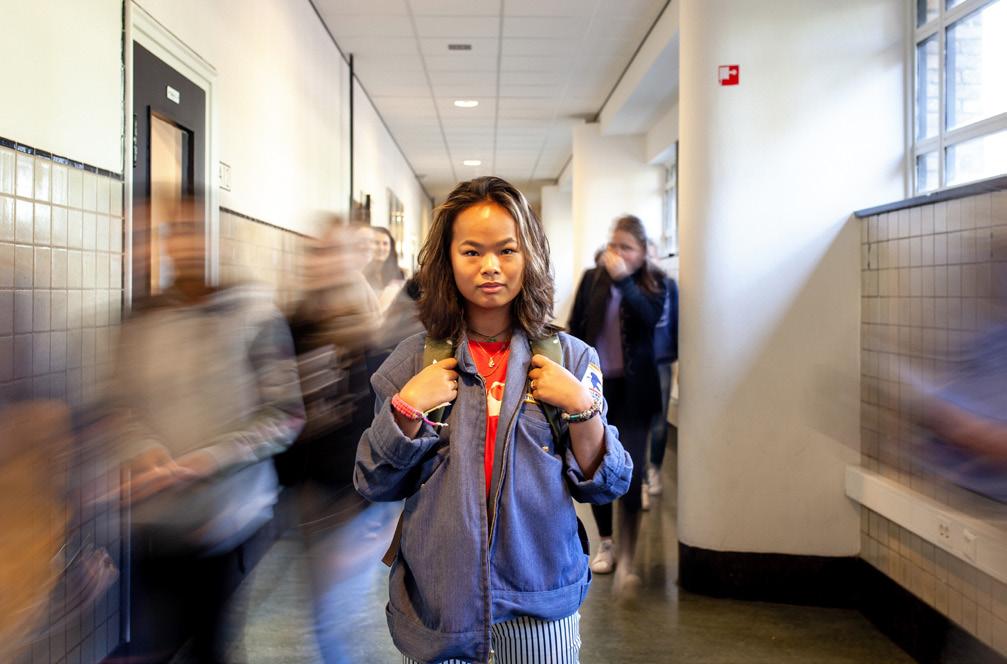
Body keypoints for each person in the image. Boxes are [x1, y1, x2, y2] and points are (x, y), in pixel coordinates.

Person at [355, 176, 631, 663]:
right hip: (440, 607)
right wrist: (407, 410)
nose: (490, 267)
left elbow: (606, 484)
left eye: (507, 250)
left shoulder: (571, 358)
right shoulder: (411, 362)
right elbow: (374, 479)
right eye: (471, 252)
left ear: (529, 256)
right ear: (448, 260)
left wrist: (580, 405)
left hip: (538, 603)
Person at [110, 201, 305, 662]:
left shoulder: (255, 318)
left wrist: (211, 460)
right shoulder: (141, 320)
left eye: (192, 232)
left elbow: (285, 416)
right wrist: (144, 449)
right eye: (172, 233)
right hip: (154, 519)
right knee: (153, 644)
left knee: (208, 647)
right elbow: (120, 405)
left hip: (227, 519)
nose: (184, 244)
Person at [568, 215, 666, 596]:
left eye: (627, 247)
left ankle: (629, 556)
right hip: (596, 390)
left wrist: (625, 279)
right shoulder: (593, 279)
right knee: (595, 463)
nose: (617, 253)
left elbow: (649, 318)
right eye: (614, 245)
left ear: (642, 253)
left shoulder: (654, 284)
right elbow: (576, 326)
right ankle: (606, 541)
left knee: (634, 469)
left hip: (636, 392)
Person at [644, 241, 679, 498]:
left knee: (659, 421)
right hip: (635, 365)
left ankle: (654, 468)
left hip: (663, 362)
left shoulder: (668, 286)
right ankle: (640, 476)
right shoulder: (629, 288)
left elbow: (676, 322)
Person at [365, 226, 406, 313]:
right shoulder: (363, 273)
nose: (381, 248)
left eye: (385, 243)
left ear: (391, 247)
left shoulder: (399, 273)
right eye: (376, 243)